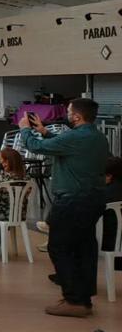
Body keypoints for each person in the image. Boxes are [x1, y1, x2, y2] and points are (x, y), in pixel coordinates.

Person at [21, 98, 110, 317]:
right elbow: (67, 147)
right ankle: (84, 298)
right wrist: (45, 131)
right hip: (93, 199)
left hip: (72, 200)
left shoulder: (75, 137)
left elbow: (35, 146)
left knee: (59, 247)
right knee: (84, 249)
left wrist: (25, 130)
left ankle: (73, 299)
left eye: (69, 112)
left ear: (77, 116)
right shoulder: (98, 137)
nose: (66, 114)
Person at [0, 148, 29, 258]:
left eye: (3, 160)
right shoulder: (26, 177)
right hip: (19, 214)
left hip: (2, 214)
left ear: (10, 161)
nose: (1, 163)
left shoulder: (4, 177)